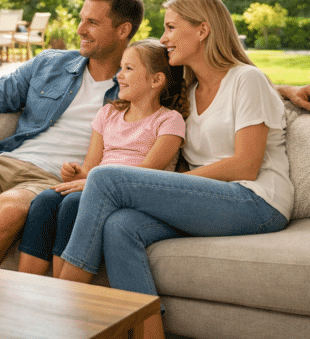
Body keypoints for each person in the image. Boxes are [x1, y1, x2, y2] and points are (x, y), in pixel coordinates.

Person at [0, 0, 310, 267]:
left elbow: (225, 76)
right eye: (81, 18)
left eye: (92, 22)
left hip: (59, 178)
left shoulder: (153, 75)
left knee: (13, 207)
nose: (80, 29)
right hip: (4, 160)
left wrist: (286, 91)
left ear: (124, 30)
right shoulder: (51, 64)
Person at [58, 0, 310, 339]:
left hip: (256, 201)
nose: (164, 39)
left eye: (172, 28)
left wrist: (179, 182)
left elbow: (245, 165)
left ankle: (56, 311)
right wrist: (287, 89)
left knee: (104, 179)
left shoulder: (246, 80)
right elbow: (148, 96)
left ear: (203, 30)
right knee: (120, 226)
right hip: (208, 201)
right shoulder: (189, 92)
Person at [17, 39, 187, 278]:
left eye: (129, 68)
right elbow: (90, 167)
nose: (119, 75)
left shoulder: (169, 121)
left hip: (133, 194)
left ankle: (58, 288)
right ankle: (24, 283)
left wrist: (93, 183)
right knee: (45, 200)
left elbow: (145, 174)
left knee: (73, 204)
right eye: (121, 68)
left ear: (156, 80)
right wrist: (77, 173)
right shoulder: (108, 114)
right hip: (97, 186)